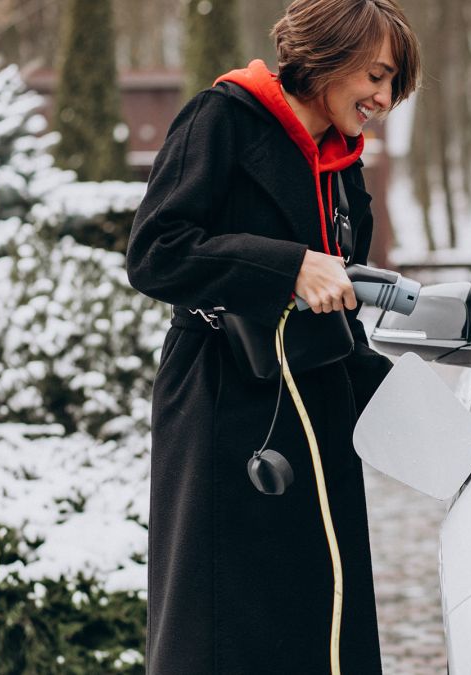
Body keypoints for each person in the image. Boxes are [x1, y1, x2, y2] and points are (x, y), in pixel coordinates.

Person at [125, 0, 420, 672]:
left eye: (393, 85)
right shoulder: (222, 118)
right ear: (327, 54)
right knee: (223, 629)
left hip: (318, 422)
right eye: (376, 76)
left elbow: (339, 311)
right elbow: (156, 252)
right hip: (222, 413)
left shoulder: (345, 167)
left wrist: (423, 415)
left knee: (322, 622)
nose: (383, 97)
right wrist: (285, 265)